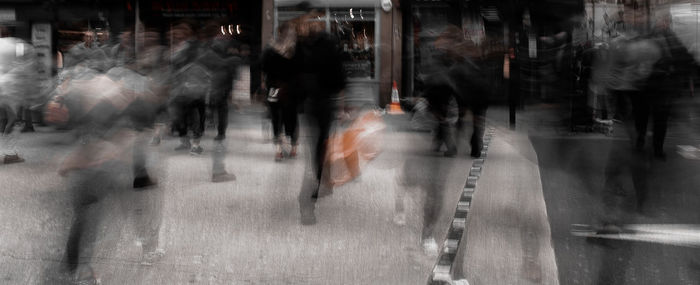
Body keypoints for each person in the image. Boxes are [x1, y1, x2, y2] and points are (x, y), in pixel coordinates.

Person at [292, 7, 347, 225]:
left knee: (318, 149)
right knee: (317, 151)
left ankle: (317, 186)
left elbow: (338, 75)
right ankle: (308, 200)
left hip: (315, 103)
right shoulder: (318, 44)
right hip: (317, 103)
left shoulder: (308, 45)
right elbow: (339, 77)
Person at [167, 21, 210, 155]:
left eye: (179, 33)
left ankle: (195, 145)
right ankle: (187, 142)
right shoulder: (177, 47)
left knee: (195, 115)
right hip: (181, 87)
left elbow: (201, 63)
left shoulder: (193, 46)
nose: (176, 35)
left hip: (194, 86)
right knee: (182, 115)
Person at [262, 22, 299, 161]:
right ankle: (284, 146)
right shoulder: (293, 49)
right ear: (283, 33)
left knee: (284, 116)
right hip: (284, 88)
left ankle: (289, 145)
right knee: (280, 116)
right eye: (290, 32)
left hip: (279, 88)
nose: (292, 35)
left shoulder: (271, 49)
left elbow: (264, 67)